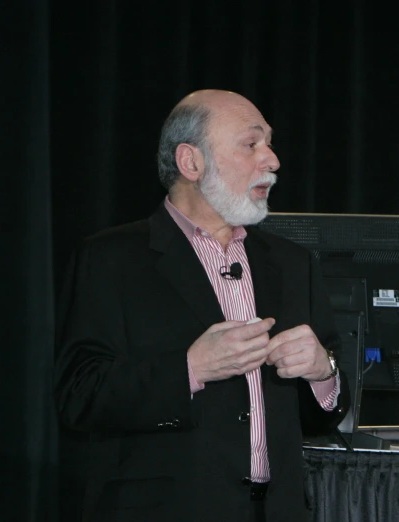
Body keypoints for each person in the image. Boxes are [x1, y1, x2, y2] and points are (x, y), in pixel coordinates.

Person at [54, 89, 350, 522]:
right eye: (252, 144)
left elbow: (321, 415)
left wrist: (323, 372)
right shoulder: (111, 258)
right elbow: (79, 396)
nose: (272, 160)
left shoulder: (291, 263)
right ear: (191, 162)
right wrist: (191, 368)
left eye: (269, 143)